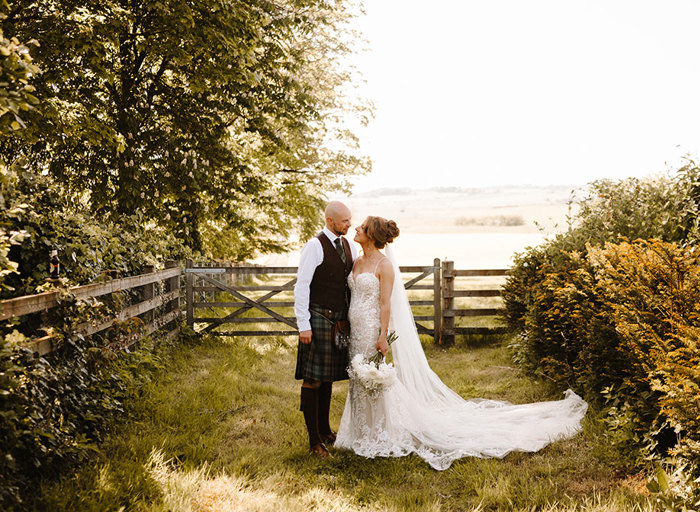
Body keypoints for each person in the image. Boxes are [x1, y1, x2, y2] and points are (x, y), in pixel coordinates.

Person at [335, 216, 588, 470]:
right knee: (359, 377)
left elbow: (385, 303)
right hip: (355, 330)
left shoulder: (384, 265)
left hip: (371, 330)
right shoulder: (356, 261)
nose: (356, 228)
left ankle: (378, 434)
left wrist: (382, 335)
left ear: (371, 235)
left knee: (373, 378)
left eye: (362, 227)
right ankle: (359, 432)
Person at [293, 201, 358, 458]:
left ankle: (325, 430)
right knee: (313, 379)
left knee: (328, 378)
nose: (349, 224)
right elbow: (302, 286)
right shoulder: (314, 246)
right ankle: (313, 442)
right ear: (330, 221)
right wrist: (303, 325)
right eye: (344, 221)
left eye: (350, 219)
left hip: (339, 321)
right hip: (317, 318)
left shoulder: (349, 245)